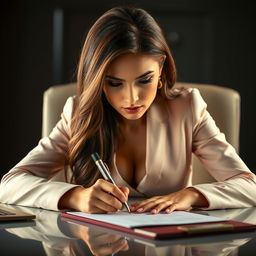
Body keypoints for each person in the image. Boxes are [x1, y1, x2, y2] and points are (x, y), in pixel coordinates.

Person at [0, 6, 255, 214]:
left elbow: (249, 186)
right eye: (114, 83)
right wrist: (75, 197)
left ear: (162, 68)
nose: (132, 98)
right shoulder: (78, 113)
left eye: (145, 80)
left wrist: (192, 195)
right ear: (98, 79)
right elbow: (8, 185)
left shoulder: (187, 108)